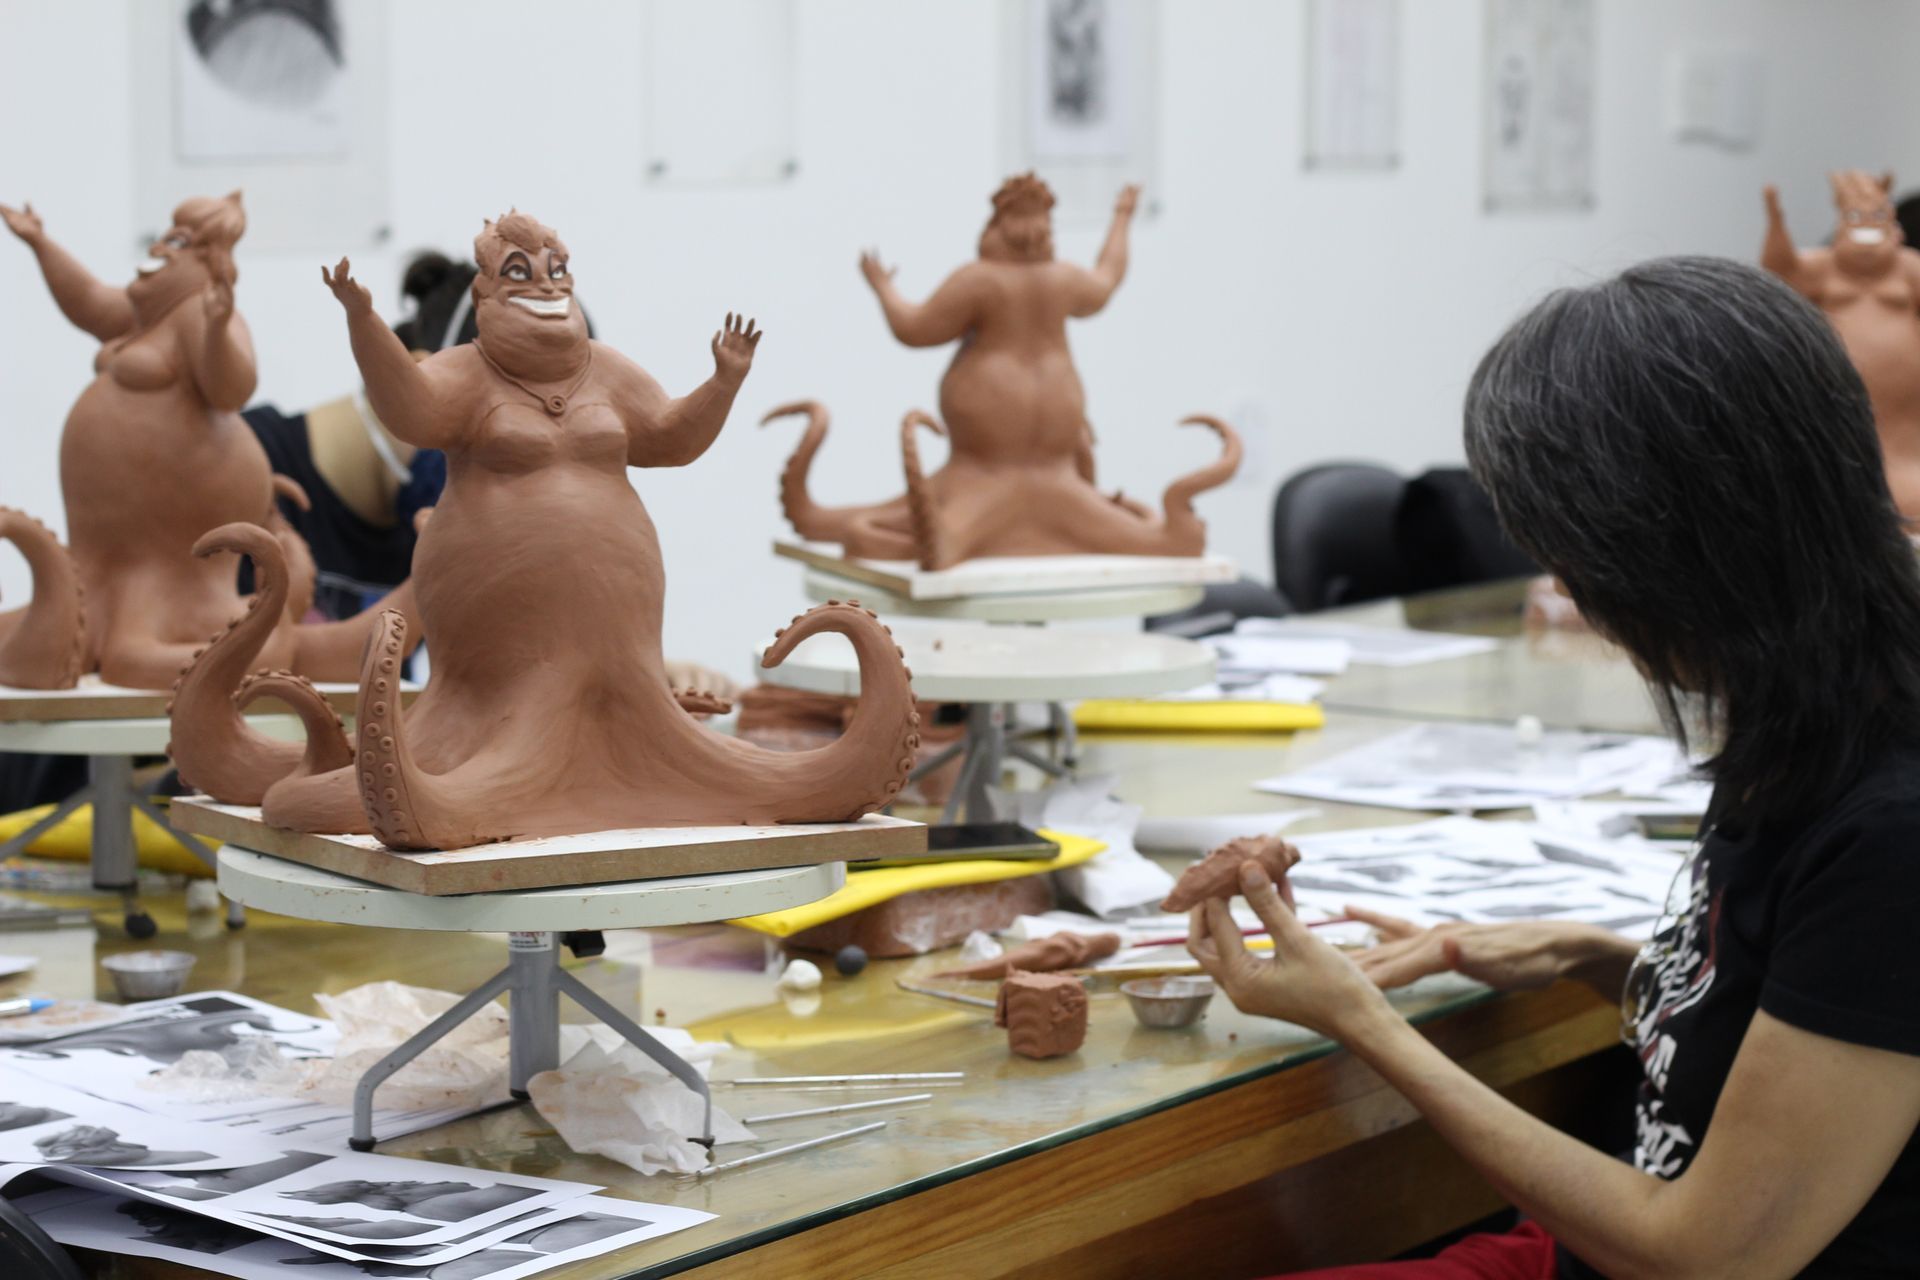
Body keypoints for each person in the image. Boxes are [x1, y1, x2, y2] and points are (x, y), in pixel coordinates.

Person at [1188, 257, 1920, 1279]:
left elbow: (1702, 1257)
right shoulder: (1813, 704)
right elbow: (1806, 1011)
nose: (1569, 592)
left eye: (1578, 558)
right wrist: (1589, 955)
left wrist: (1364, 1024)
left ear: (1689, 546)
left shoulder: (1890, 825)